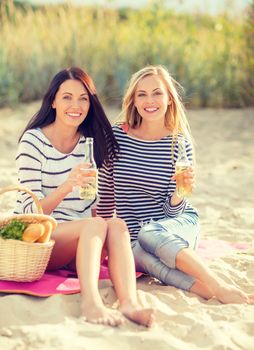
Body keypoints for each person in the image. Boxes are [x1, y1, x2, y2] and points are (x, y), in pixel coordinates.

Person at [97, 65, 254, 304]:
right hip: (134, 235)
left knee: (150, 232)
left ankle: (218, 286)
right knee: (137, 253)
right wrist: (104, 235)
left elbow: (174, 211)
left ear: (169, 99)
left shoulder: (178, 143)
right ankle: (209, 292)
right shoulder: (117, 137)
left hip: (175, 226)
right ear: (134, 101)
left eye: (157, 93)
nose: (150, 100)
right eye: (142, 94)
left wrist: (180, 192)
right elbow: (106, 191)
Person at [15, 67, 154, 327]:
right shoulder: (33, 142)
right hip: (43, 240)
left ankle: (129, 303)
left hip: (82, 241)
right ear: (53, 101)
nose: (75, 105)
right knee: (95, 224)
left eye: (83, 98)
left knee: (115, 223)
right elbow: (28, 214)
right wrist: (68, 186)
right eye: (67, 97)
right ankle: (91, 303)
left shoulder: (90, 143)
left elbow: (98, 209)